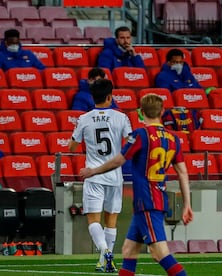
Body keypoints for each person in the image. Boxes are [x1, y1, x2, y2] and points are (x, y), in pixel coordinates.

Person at [80, 93, 193, 276]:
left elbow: (118, 160)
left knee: (159, 253)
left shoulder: (141, 134)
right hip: (153, 200)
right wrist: (187, 204)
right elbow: (182, 172)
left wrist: (93, 171)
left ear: (141, 113)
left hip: (147, 201)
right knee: (129, 250)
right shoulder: (173, 139)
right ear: (162, 111)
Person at [68, 79, 132, 273]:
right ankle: (106, 258)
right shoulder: (121, 117)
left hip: (93, 175)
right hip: (114, 175)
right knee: (111, 220)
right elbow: (131, 142)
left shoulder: (84, 118)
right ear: (110, 96)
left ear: (92, 97)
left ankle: (104, 253)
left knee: (93, 219)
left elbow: (72, 147)